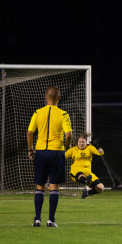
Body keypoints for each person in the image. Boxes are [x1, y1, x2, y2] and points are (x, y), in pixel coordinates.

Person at [27, 86, 72, 227]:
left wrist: (30, 150)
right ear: (58, 98)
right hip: (56, 152)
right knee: (54, 187)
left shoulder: (37, 112)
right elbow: (69, 134)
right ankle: (51, 220)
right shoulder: (63, 114)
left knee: (40, 186)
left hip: (40, 152)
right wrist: (67, 146)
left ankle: (37, 219)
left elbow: (29, 133)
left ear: (45, 97)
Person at [65, 132, 105, 199]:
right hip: (76, 171)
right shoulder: (73, 150)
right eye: (80, 142)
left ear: (86, 142)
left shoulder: (89, 147)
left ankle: (87, 192)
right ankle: (86, 180)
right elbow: (63, 156)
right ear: (77, 142)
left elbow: (101, 153)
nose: (81, 143)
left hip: (87, 172)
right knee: (81, 175)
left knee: (101, 188)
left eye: (83, 142)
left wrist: (97, 146)